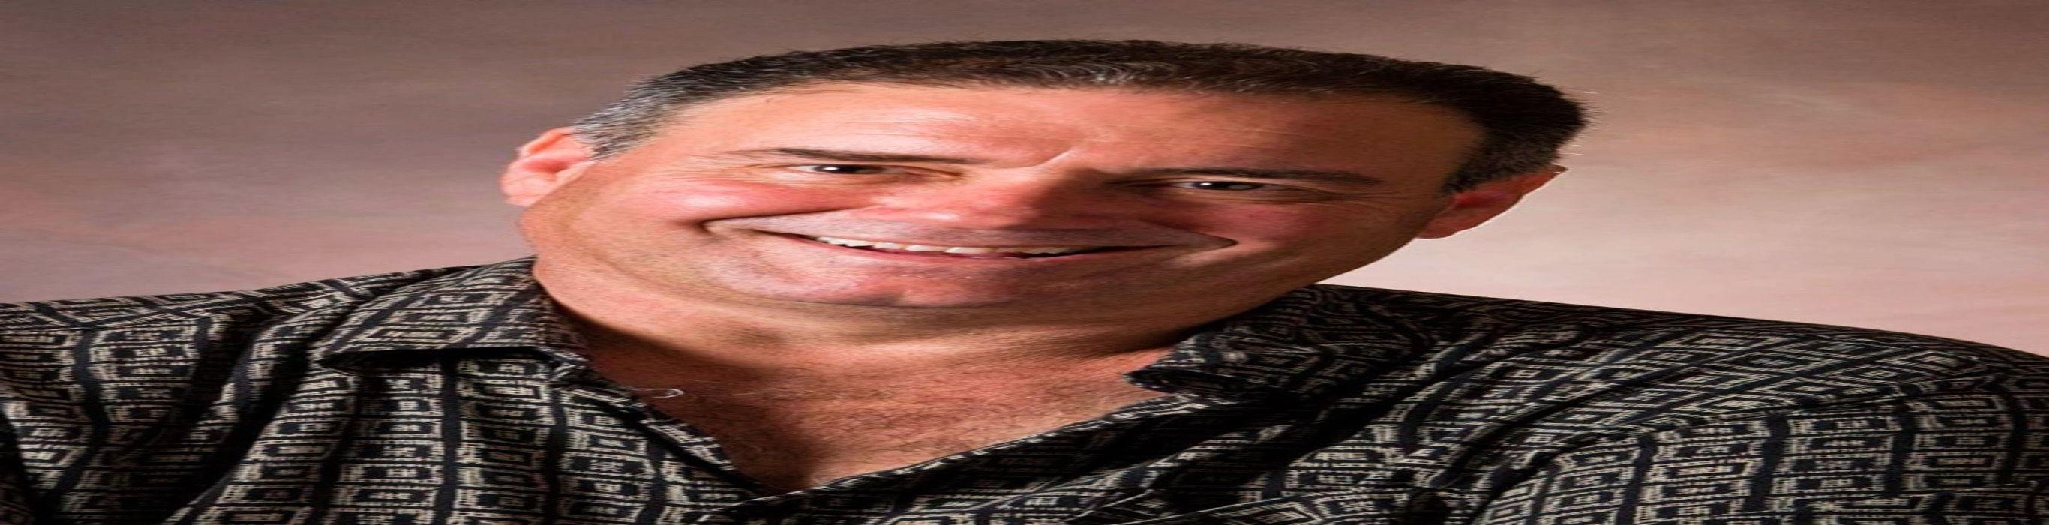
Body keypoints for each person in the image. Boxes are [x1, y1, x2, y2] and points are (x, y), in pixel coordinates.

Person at [1, 40, 2042, 524]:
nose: (987, 222)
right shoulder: (74, 380)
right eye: (843, 162)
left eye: (1231, 179)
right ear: (559, 164)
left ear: (1463, 212)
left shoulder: (1811, 418)